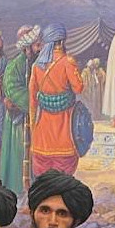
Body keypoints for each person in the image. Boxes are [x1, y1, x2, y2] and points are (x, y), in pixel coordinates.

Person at [29, 22, 84, 176]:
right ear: (61, 42)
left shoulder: (36, 66)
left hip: (42, 134)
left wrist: (33, 126)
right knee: (64, 174)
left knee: (43, 175)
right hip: (64, 133)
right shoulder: (67, 62)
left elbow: (32, 99)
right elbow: (78, 88)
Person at [0, 25, 41, 199]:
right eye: (37, 44)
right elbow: (12, 88)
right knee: (18, 153)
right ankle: (16, 188)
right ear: (27, 46)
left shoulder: (37, 63)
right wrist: (32, 102)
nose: (39, 47)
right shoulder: (15, 65)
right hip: (19, 120)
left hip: (33, 117)